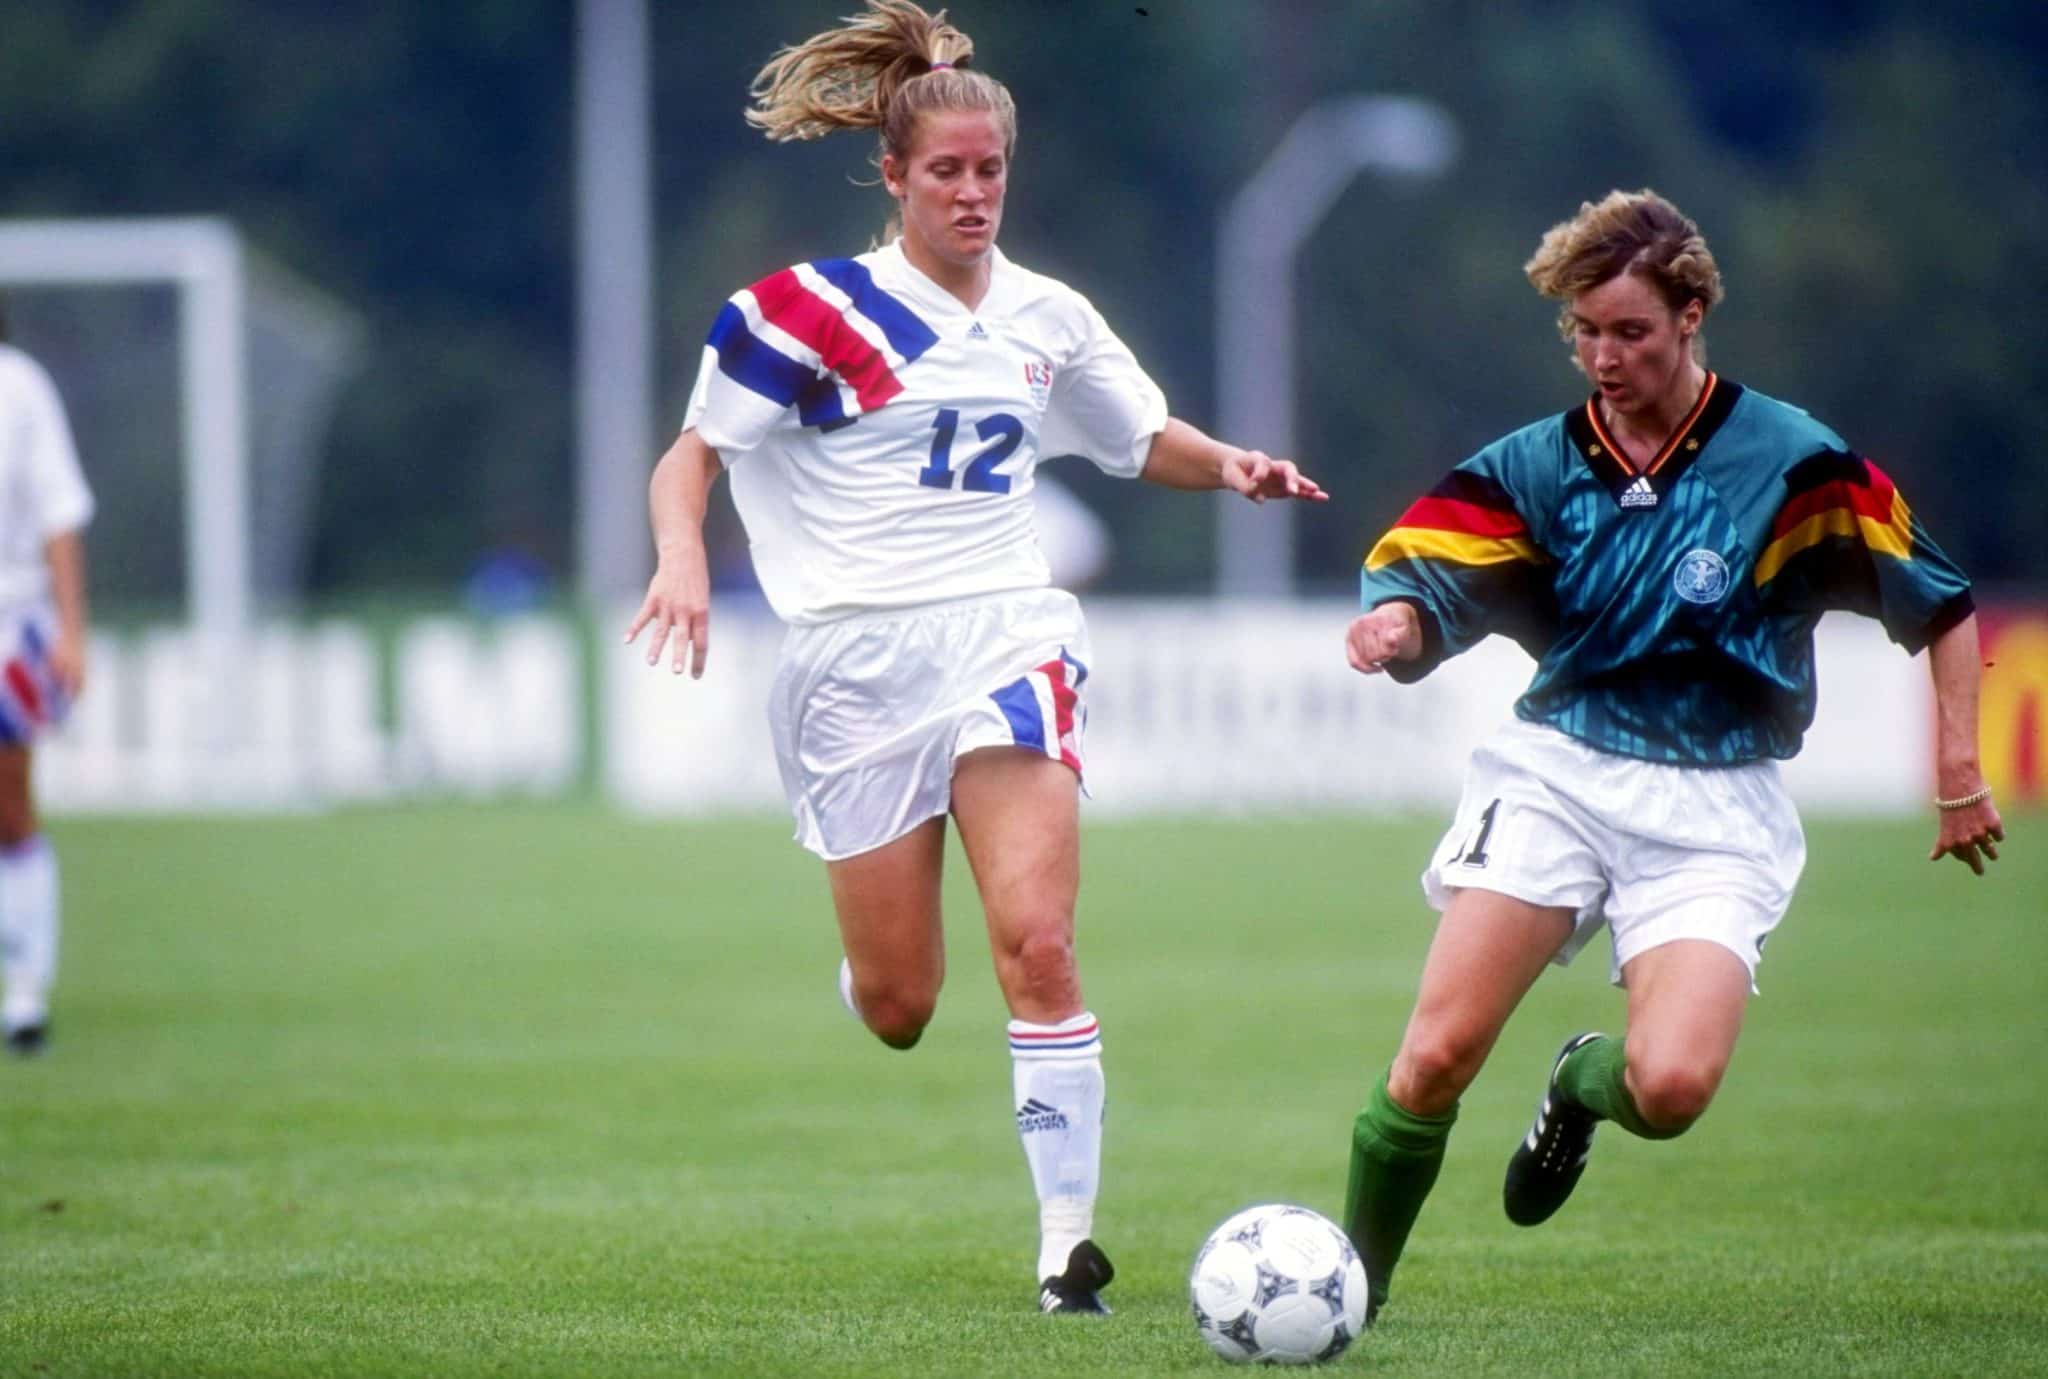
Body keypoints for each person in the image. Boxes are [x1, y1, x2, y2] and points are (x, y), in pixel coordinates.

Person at [625, 0, 1325, 1315]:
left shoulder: (1049, 316)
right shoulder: (803, 314)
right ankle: (874, 957)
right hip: (849, 667)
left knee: (1041, 942)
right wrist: (675, 555)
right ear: (892, 175)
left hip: (1008, 631)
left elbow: (1139, 435)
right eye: (944, 170)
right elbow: (693, 454)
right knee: (899, 1002)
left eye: (990, 170)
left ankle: (1067, 1246)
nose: (971, 192)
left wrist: (1227, 465)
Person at [1337, 189, 2004, 1324]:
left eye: (1628, 331)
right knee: (1435, 1054)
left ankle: (1574, 1085)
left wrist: (1957, 771)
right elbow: (1419, 567)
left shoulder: (1790, 462)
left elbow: (1937, 602)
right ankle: (1346, 1289)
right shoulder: (1539, 463)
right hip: (1557, 770)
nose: (1602, 355)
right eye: (1585, 333)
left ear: (1690, 313)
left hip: (1717, 802)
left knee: (1671, 1086)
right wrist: (1395, 624)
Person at [0, 299, 95, 1057]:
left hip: (9, 619)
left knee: (8, 796)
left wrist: (71, 628)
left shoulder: (19, 387)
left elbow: (59, 512)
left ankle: (26, 987)